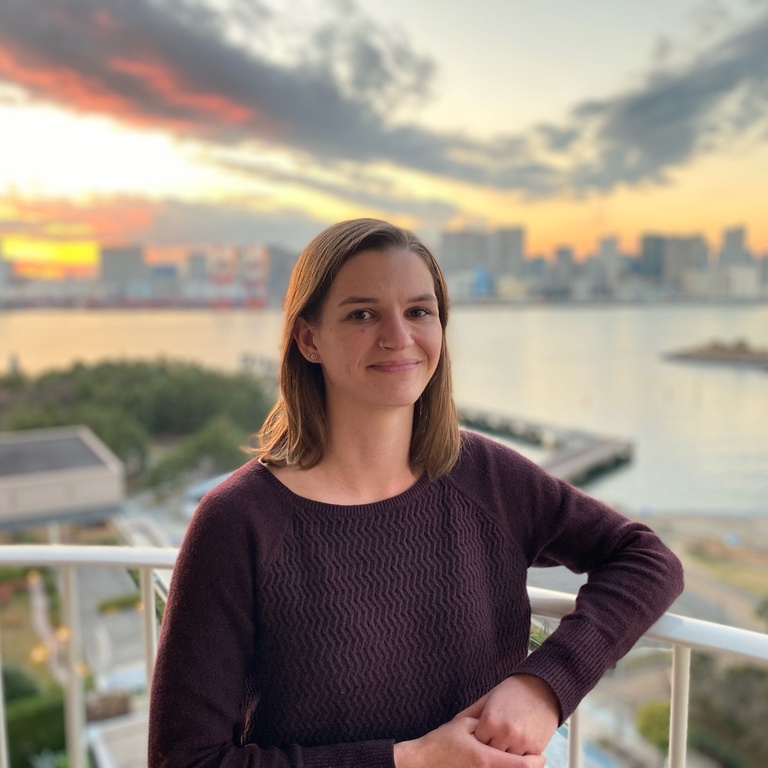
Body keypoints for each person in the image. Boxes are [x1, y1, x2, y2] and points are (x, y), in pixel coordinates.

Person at [148, 218, 684, 767]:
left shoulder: (486, 477)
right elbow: (184, 760)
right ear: (309, 339)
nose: (398, 337)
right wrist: (412, 759)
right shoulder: (238, 523)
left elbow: (647, 560)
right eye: (362, 314)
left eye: (419, 312)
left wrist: (544, 685)